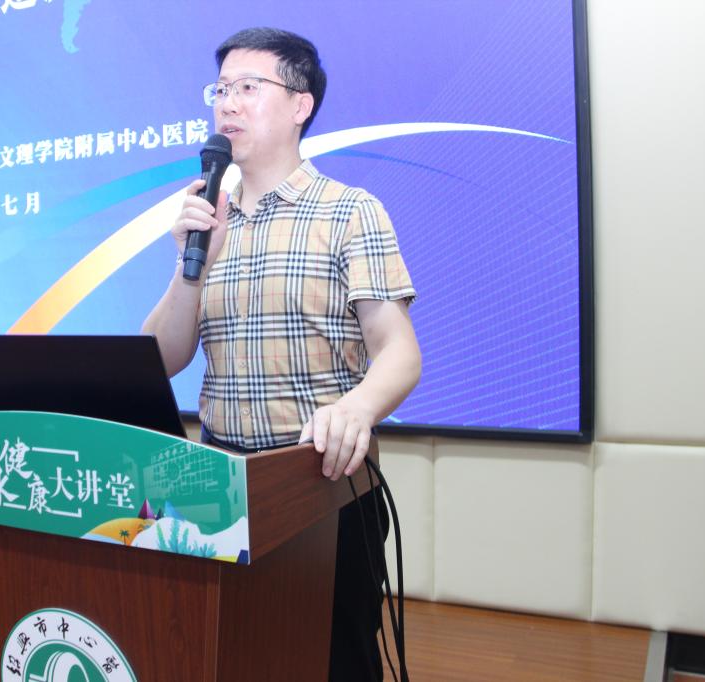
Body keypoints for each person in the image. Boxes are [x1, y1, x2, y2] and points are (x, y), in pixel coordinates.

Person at [142, 27, 421, 681]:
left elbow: (399, 351)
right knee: (228, 657)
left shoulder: (350, 212)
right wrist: (188, 269)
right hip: (218, 487)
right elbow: (162, 358)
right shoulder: (206, 219)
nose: (227, 103)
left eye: (248, 87)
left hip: (321, 484)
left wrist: (356, 408)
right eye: (220, 90)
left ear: (301, 104)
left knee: (334, 663)